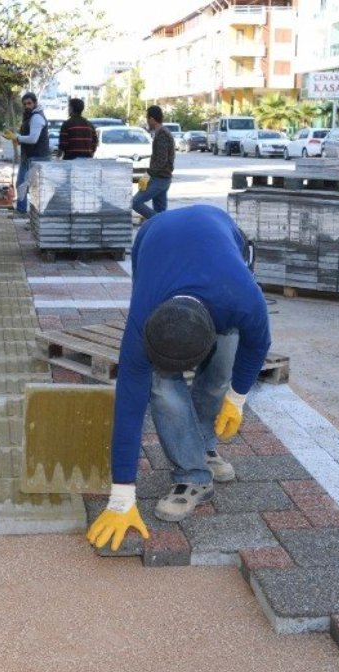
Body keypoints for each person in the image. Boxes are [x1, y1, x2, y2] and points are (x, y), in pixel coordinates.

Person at [86, 205, 270, 551]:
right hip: (154, 241)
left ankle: (202, 448)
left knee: (221, 370)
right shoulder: (145, 319)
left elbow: (259, 343)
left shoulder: (243, 299)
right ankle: (192, 473)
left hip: (221, 236)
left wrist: (237, 397)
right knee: (160, 385)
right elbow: (128, 406)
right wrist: (121, 495)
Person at [2, 92, 50, 214]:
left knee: (33, 187)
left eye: (29, 103)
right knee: (21, 184)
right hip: (28, 157)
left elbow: (33, 139)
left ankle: (31, 213)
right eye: (24, 104)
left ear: (35, 103)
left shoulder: (37, 117)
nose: (27, 106)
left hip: (37, 157)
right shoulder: (30, 116)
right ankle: (22, 210)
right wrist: (16, 139)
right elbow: (28, 137)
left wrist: (16, 137)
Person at [131, 105, 174, 221]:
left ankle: (156, 222)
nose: (147, 122)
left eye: (147, 119)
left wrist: (147, 175)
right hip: (162, 178)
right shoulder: (161, 133)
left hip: (159, 179)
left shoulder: (162, 134)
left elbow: (161, 160)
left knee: (135, 202)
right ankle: (161, 229)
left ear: (152, 119)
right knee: (161, 213)